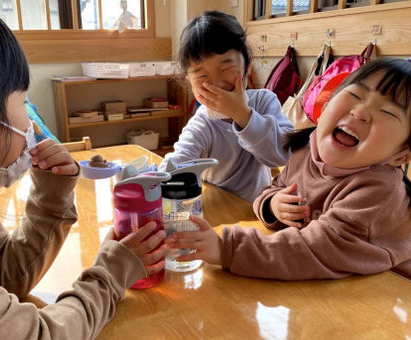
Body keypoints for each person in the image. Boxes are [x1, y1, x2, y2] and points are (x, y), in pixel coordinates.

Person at [0, 0, 165, 338]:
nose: (31, 124)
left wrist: (52, 195)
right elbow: (40, 334)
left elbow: (3, 276)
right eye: (22, 103)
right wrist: (111, 273)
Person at [169, 58, 411, 280]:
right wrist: (273, 205)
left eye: (387, 112)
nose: (360, 112)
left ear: (402, 154)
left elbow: (317, 249)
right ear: (326, 105)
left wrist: (226, 248)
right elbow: (273, 187)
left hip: (387, 295)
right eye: (356, 95)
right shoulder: (306, 148)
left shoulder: (380, 189)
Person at [159, 11, 293, 203]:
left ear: (247, 66)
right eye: (202, 76)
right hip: (220, 207)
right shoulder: (203, 123)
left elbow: (283, 155)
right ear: (189, 82)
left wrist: (243, 115)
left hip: (260, 209)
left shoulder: (264, 102)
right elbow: (178, 162)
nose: (217, 83)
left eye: (226, 68)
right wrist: (156, 183)